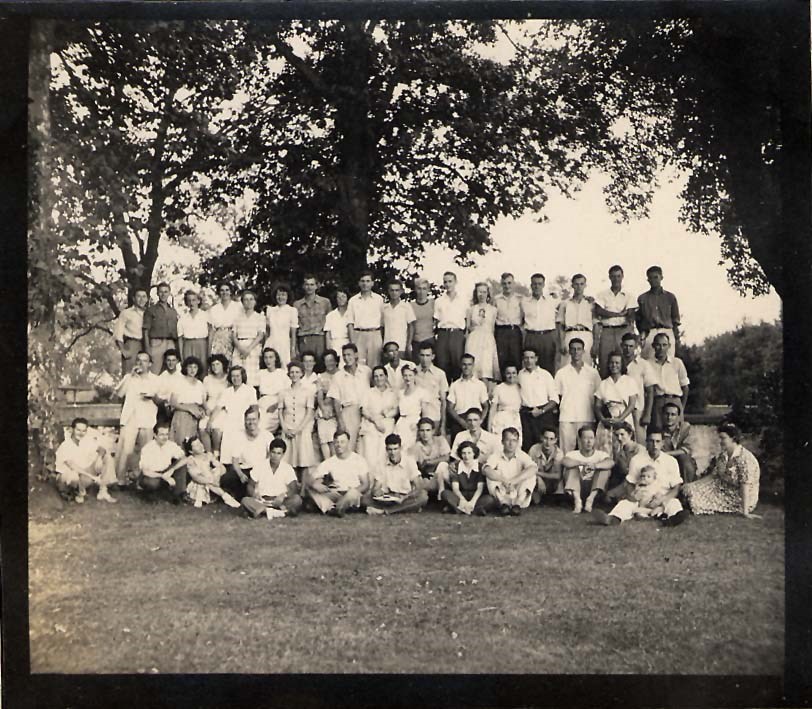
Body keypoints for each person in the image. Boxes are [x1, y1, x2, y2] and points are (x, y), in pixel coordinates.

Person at [594, 426, 687, 526]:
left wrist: (662, 499)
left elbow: (676, 487)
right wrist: (633, 496)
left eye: (657, 441)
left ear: (662, 443)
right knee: (625, 503)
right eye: (651, 441)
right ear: (646, 442)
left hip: (661, 497)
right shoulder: (637, 459)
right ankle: (613, 518)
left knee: (673, 502)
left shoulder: (671, 461)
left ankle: (673, 518)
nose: (654, 445)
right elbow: (630, 482)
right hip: (642, 497)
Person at [683, 423, 761, 517]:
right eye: (719, 438)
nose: (720, 441)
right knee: (690, 489)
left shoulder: (745, 458)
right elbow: (714, 475)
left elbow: (745, 485)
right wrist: (694, 484)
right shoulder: (724, 455)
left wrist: (745, 512)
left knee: (695, 499)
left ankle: (685, 507)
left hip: (740, 497)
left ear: (733, 438)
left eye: (723, 438)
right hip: (723, 488)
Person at [114, 351, 159, 485]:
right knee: (125, 451)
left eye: (144, 361)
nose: (141, 363)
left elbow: (161, 397)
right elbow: (119, 394)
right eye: (138, 360)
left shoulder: (156, 379)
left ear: (150, 364)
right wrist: (130, 376)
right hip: (130, 417)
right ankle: (120, 480)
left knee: (145, 451)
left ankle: (143, 481)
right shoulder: (129, 377)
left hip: (147, 417)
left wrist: (152, 396)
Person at [306, 430, 371, 516]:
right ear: (333, 443)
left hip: (352, 493)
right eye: (336, 442)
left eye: (342, 442)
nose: (339, 445)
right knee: (311, 490)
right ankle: (334, 508)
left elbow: (366, 484)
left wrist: (354, 491)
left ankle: (336, 508)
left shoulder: (358, 460)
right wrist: (315, 484)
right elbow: (310, 479)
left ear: (348, 442)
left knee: (352, 494)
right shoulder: (330, 462)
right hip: (336, 493)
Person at [554, 338, 601, 453]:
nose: (576, 352)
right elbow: (557, 396)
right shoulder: (561, 373)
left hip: (587, 417)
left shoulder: (593, 373)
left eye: (579, 349)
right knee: (566, 452)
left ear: (583, 351)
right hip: (567, 418)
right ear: (569, 351)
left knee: (587, 452)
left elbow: (599, 395)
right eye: (573, 349)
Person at [54, 417, 117, 503]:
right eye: (78, 430)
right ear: (72, 429)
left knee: (107, 457)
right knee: (73, 476)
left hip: (83, 475)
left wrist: (99, 458)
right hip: (68, 477)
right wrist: (93, 477)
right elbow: (73, 466)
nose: (81, 433)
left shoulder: (86, 441)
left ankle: (103, 491)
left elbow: (102, 449)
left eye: (84, 431)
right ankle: (75, 492)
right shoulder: (65, 445)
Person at [364, 434, 429, 515]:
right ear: (386, 449)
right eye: (390, 450)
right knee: (365, 499)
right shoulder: (381, 462)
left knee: (423, 496)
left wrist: (405, 497)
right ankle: (407, 508)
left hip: (405, 496)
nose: (393, 453)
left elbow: (418, 486)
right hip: (387, 497)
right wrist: (376, 491)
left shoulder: (409, 461)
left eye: (395, 449)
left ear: (400, 448)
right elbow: (376, 486)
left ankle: (385, 511)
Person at [241, 437, 303, 518]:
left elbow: (294, 489)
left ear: (283, 454)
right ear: (269, 452)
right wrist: (255, 494)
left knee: (297, 500)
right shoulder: (260, 466)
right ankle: (280, 512)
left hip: (280, 501)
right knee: (245, 500)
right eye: (273, 452)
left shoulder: (287, 468)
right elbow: (250, 485)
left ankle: (265, 512)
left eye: (278, 453)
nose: (275, 456)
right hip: (262, 501)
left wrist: (283, 496)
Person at [592, 465, 674, 525]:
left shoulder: (655, 487)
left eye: (648, 476)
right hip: (640, 507)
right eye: (643, 476)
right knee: (625, 503)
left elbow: (659, 496)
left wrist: (657, 499)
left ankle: (661, 517)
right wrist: (635, 495)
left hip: (651, 507)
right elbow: (632, 496)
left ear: (654, 479)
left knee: (659, 509)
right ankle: (613, 518)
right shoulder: (638, 486)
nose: (644, 478)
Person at [594, 265, 637, 378]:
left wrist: (609, 313)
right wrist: (618, 314)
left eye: (618, 276)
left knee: (624, 360)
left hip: (623, 330)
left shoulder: (629, 296)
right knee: (605, 361)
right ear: (609, 277)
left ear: (622, 277)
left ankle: (625, 385)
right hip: (607, 331)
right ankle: (605, 386)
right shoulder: (602, 295)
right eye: (613, 276)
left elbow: (630, 314)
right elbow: (599, 311)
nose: (616, 279)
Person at [278, 360, 319, 479]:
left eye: (297, 372)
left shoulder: (308, 392)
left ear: (301, 374)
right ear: (288, 374)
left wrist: (298, 429)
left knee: (303, 460)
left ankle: (303, 488)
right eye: (292, 372)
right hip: (287, 429)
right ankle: (291, 485)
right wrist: (285, 428)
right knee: (288, 461)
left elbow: (309, 412)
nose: (294, 375)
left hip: (302, 429)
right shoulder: (283, 392)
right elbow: (280, 411)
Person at [327, 343, 372, 452]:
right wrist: (341, 421)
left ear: (356, 355)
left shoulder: (366, 371)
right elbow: (336, 401)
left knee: (366, 446)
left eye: (349, 355)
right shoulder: (338, 376)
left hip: (367, 411)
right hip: (349, 412)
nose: (347, 358)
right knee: (350, 446)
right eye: (344, 355)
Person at [222, 405, 272, 502]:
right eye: (248, 419)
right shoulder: (239, 436)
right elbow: (235, 460)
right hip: (246, 470)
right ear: (244, 421)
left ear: (259, 420)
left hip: (261, 470)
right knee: (227, 478)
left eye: (254, 419)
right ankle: (244, 495)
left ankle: (250, 495)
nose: (251, 422)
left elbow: (270, 457)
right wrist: (240, 474)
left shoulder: (267, 435)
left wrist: (264, 472)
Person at [482, 428, 537, 515]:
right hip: (502, 493)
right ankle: (504, 505)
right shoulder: (496, 455)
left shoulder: (522, 455)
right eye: (508, 440)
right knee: (491, 475)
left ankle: (517, 505)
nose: (511, 443)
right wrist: (504, 481)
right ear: (502, 441)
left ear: (517, 442)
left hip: (518, 493)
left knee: (531, 475)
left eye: (514, 440)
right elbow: (486, 470)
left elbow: (533, 468)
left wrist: (513, 481)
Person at [593, 351, 638, 455]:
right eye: (612, 362)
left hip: (624, 419)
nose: (614, 365)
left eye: (617, 363)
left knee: (624, 450)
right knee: (606, 451)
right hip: (608, 421)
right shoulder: (604, 383)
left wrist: (620, 419)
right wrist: (603, 419)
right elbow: (597, 406)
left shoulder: (629, 381)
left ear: (622, 364)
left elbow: (632, 405)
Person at [561, 425, 614, 513]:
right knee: (571, 469)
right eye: (585, 438)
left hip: (595, 489)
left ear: (595, 440)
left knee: (604, 470)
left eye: (591, 438)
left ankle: (590, 500)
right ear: (580, 440)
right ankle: (577, 501)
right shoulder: (572, 454)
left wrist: (595, 466)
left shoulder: (601, 454)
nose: (589, 442)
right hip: (576, 488)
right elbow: (565, 462)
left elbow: (610, 463)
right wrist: (581, 463)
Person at [517, 348, 559, 452]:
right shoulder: (519, 375)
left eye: (531, 357)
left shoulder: (545, 375)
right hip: (526, 414)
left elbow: (554, 399)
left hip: (543, 414)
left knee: (544, 444)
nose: (529, 361)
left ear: (536, 359)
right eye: (526, 358)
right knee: (527, 445)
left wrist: (542, 411)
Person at [182, 435, 241, 509]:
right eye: (196, 445)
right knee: (206, 477)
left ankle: (224, 495)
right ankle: (225, 496)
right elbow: (196, 477)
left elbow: (222, 468)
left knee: (216, 470)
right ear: (191, 451)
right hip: (200, 483)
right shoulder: (191, 460)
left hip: (213, 481)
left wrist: (217, 476)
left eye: (200, 443)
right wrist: (211, 481)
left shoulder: (208, 455)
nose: (200, 446)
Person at [358, 365, 399, 471]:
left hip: (387, 426)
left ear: (386, 377)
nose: (379, 378)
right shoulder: (368, 392)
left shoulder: (392, 393)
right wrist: (375, 420)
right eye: (376, 376)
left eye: (381, 375)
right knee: (370, 457)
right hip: (371, 425)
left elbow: (396, 409)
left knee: (383, 455)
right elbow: (364, 410)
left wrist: (386, 415)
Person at [216, 365, 258, 465]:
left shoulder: (250, 390)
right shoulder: (227, 391)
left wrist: (253, 421)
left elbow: (254, 407)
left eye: (238, 376)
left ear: (242, 376)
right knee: (227, 443)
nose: (235, 379)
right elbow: (218, 407)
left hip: (244, 420)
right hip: (229, 420)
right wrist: (210, 422)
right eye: (233, 376)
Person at [440, 440, 495, 515]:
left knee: (489, 499)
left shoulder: (480, 467)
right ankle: (472, 510)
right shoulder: (456, 467)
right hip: (460, 495)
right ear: (460, 454)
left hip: (475, 496)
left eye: (469, 453)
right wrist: (463, 501)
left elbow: (479, 489)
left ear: (474, 453)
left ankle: (458, 509)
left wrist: (472, 502)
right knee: (445, 493)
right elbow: (455, 489)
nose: (466, 456)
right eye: (464, 453)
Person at [137, 421, 188, 503]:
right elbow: (145, 471)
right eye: (161, 435)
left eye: (166, 434)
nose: (165, 437)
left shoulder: (170, 445)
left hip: (166, 471)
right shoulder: (148, 448)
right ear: (155, 435)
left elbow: (185, 458)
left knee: (182, 466)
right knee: (152, 483)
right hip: (152, 474)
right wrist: (162, 476)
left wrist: (172, 470)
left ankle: (179, 494)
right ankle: (150, 493)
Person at [637, 265, 680, 360]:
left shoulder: (670, 297)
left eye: (656, 277)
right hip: (650, 333)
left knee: (668, 361)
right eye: (650, 278)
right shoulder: (642, 298)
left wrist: (675, 337)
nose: (653, 280)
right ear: (648, 280)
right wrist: (643, 334)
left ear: (661, 277)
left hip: (667, 331)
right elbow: (639, 320)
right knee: (649, 361)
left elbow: (675, 319)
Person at [556, 274, 598, 369]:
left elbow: (596, 324)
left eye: (581, 284)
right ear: (572, 285)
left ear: (585, 285)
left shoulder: (591, 304)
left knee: (586, 365)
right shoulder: (565, 303)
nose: (579, 287)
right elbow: (560, 325)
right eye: (576, 284)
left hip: (586, 335)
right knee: (567, 364)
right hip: (570, 333)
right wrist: (561, 342)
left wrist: (595, 344)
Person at [649, 332, 690, 428]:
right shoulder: (648, 364)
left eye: (664, 345)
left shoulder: (677, 362)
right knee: (658, 430)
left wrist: (681, 408)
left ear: (669, 346)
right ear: (653, 346)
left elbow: (685, 387)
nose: (661, 348)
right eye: (658, 345)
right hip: (658, 401)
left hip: (675, 401)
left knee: (676, 431)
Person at [620, 332, 655, 441]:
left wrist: (647, 414)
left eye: (631, 346)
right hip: (620, 409)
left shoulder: (643, 365)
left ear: (636, 347)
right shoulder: (617, 364)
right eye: (625, 346)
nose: (628, 349)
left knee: (639, 441)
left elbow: (650, 391)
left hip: (637, 409)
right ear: (621, 346)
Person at [433, 271, 468, 381]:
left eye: (450, 281)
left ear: (455, 282)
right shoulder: (439, 301)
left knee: (457, 364)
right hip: (443, 334)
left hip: (457, 334)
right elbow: (436, 320)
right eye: (445, 282)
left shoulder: (463, 300)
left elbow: (467, 319)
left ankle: (457, 389)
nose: (448, 284)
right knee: (442, 364)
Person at [521, 273, 558, 375]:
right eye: (534, 284)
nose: (537, 286)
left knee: (548, 367)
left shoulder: (552, 300)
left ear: (543, 285)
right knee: (530, 367)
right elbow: (520, 319)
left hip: (547, 337)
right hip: (531, 337)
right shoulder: (524, 302)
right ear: (531, 285)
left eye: (539, 284)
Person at [446, 354, 489, 440]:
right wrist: (461, 421)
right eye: (464, 364)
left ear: (473, 366)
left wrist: (480, 420)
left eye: (469, 364)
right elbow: (450, 408)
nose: (466, 367)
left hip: (476, 417)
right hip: (460, 419)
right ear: (460, 365)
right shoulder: (455, 385)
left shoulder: (480, 384)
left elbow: (486, 406)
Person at [346, 271, 385, 367]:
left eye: (368, 281)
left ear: (372, 283)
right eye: (362, 281)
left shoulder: (379, 299)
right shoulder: (353, 300)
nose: (365, 284)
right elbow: (350, 323)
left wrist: (381, 338)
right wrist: (352, 342)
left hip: (374, 334)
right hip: (359, 334)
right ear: (359, 283)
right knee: (359, 364)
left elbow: (383, 322)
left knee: (375, 364)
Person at [409, 417, 452, 502]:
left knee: (442, 466)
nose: (425, 434)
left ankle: (441, 495)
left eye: (428, 430)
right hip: (428, 477)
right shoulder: (416, 447)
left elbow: (447, 458)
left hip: (443, 476)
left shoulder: (440, 440)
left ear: (433, 431)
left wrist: (429, 462)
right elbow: (412, 464)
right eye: (422, 430)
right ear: (418, 432)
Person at [465, 282, 500, 384]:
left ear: (488, 294)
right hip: (474, 340)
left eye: (484, 292)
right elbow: (468, 327)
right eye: (479, 292)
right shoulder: (471, 309)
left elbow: (494, 327)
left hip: (487, 340)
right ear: (475, 293)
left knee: (486, 368)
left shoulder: (493, 310)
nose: (482, 294)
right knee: (474, 367)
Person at [231, 289, 266, 387]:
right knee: (238, 373)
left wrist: (248, 349)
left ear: (255, 302)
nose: (249, 302)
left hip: (253, 347)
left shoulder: (260, 317)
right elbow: (233, 336)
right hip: (239, 347)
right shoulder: (237, 318)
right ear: (242, 302)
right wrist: (241, 349)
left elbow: (260, 335)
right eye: (246, 299)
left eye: (251, 299)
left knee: (251, 376)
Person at [168, 356, 206, 447]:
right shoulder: (179, 382)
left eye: (195, 367)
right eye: (190, 367)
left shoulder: (200, 384)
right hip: (182, 414)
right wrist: (189, 409)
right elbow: (173, 402)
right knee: (183, 443)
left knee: (195, 446)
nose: (192, 370)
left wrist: (202, 411)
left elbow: (203, 403)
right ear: (185, 368)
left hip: (196, 416)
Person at [142, 282, 179, 375]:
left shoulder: (173, 311)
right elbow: (145, 330)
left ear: (169, 293)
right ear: (157, 293)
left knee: (171, 372)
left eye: (166, 292)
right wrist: (147, 349)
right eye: (161, 292)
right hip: (156, 343)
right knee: (154, 371)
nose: (163, 294)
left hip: (170, 343)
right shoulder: (151, 310)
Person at [414, 342, 448, 437]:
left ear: (433, 356)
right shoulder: (413, 372)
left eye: (427, 355)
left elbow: (443, 401)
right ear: (418, 356)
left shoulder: (440, 374)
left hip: (434, 415)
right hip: (416, 416)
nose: (425, 359)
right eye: (422, 355)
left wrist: (443, 425)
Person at [294, 274, 331, 360]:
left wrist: (328, 343)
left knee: (320, 363)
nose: (309, 287)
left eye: (312, 284)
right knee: (305, 364)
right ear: (303, 286)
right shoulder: (297, 305)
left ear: (316, 286)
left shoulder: (325, 302)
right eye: (307, 284)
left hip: (320, 338)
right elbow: (295, 327)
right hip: (304, 339)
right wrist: (295, 346)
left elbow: (330, 325)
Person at [493, 272, 524, 374]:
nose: (507, 286)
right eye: (504, 283)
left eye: (509, 283)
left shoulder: (520, 299)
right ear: (501, 284)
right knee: (502, 359)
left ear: (513, 283)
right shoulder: (496, 300)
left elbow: (524, 316)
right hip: (501, 332)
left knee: (516, 358)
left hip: (514, 331)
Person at [605, 421, 646, 498]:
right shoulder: (619, 451)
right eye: (616, 435)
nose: (619, 438)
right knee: (608, 496)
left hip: (638, 481)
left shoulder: (640, 450)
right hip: (624, 482)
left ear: (630, 434)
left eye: (622, 434)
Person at [395, 363, 429, 451]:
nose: (408, 378)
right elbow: (397, 410)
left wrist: (419, 426)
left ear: (415, 376)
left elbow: (425, 414)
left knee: (410, 449)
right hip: (401, 423)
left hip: (414, 423)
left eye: (410, 375)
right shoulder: (400, 393)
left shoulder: (421, 392)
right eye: (405, 375)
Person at [660, 401, 698, 482]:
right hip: (666, 460)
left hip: (683, 459)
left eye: (673, 414)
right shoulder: (658, 430)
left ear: (678, 416)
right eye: (667, 414)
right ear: (662, 415)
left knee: (684, 459)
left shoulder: (685, 427)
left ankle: (688, 486)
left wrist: (667, 453)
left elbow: (687, 449)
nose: (669, 417)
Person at [114, 287, 148, 374]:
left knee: (145, 374)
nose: (141, 299)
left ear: (147, 299)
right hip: (132, 344)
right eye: (139, 296)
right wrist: (123, 350)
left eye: (144, 296)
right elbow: (118, 333)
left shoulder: (149, 313)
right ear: (133, 298)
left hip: (146, 345)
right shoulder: (126, 313)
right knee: (130, 373)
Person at [256, 347, 290, 436]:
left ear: (275, 359)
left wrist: (276, 405)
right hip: (261, 404)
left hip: (276, 404)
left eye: (271, 357)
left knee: (262, 426)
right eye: (266, 358)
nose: (268, 360)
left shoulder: (282, 373)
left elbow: (288, 393)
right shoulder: (260, 373)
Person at [489, 364, 523, 447]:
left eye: (514, 373)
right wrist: (489, 426)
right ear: (504, 374)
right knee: (499, 445)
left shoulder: (520, 387)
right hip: (501, 419)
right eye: (508, 373)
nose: (511, 376)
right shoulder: (499, 388)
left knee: (516, 445)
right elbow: (493, 409)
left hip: (515, 419)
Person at [265, 284, 299, 367]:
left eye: (283, 295)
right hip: (272, 342)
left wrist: (293, 348)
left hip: (284, 343)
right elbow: (267, 331)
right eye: (278, 295)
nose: (280, 297)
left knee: (284, 366)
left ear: (287, 296)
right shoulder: (270, 310)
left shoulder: (292, 311)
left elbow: (293, 333)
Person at [315, 349, 340, 460]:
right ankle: (327, 463)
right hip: (325, 409)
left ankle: (335, 464)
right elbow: (320, 396)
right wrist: (323, 409)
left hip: (338, 409)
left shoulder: (341, 375)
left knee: (333, 439)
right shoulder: (321, 376)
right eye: (326, 361)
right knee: (324, 438)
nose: (329, 363)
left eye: (331, 360)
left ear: (336, 361)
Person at [177, 290, 209, 376]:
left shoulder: (206, 315)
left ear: (198, 301)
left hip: (202, 345)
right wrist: (181, 356)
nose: (191, 303)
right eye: (189, 300)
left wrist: (209, 351)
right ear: (186, 302)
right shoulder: (183, 318)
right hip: (188, 345)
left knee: (202, 369)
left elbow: (211, 334)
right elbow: (180, 338)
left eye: (194, 300)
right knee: (189, 369)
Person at [382, 279, 416, 360]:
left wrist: (408, 344)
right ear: (388, 291)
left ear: (401, 291)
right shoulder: (384, 308)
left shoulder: (406, 307)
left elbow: (411, 326)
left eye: (397, 290)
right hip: (387, 346)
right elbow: (382, 327)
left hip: (401, 346)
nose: (394, 293)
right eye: (392, 290)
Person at [528, 427, 564, 503]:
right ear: (541, 438)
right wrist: (538, 478)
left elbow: (557, 475)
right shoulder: (534, 449)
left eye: (551, 439)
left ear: (555, 440)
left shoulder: (559, 453)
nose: (548, 442)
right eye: (545, 438)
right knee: (536, 501)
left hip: (553, 483)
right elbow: (527, 469)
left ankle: (555, 496)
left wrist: (538, 473)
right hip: (537, 481)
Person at [207, 281, 242, 360]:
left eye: (227, 290)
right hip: (218, 339)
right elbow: (211, 331)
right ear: (219, 292)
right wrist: (209, 350)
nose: (224, 292)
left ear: (230, 292)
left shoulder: (238, 307)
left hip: (234, 338)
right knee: (219, 362)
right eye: (222, 290)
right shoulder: (214, 309)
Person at [154, 349, 184, 424]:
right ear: (165, 361)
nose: (171, 363)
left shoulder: (182, 377)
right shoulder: (161, 377)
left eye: (173, 360)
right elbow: (156, 396)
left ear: (177, 361)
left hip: (177, 408)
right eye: (168, 360)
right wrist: (163, 403)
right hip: (163, 408)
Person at [410, 278, 435, 362]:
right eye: (419, 288)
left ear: (428, 290)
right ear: (415, 289)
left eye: (424, 289)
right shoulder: (410, 306)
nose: (421, 292)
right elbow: (410, 326)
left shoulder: (433, 303)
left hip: (429, 339)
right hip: (416, 341)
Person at [323, 288, 351, 354]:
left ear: (347, 298)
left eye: (343, 296)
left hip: (348, 343)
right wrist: (329, 350)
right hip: (334, 344)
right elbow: (328, 334)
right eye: (338, 297)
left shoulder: (351, 314)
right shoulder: (330, 315)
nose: (341, 299)